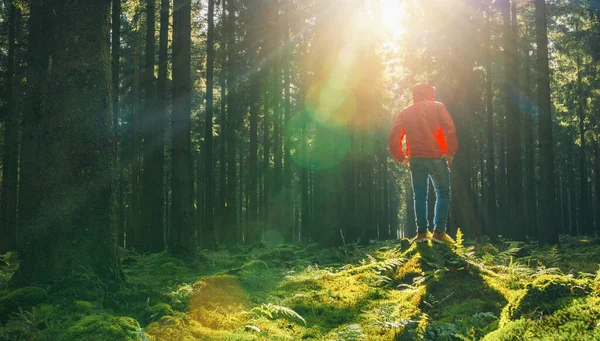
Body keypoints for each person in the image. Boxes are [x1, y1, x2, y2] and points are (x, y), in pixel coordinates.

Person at [389, 83, 457, 244]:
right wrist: (450, 152)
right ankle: (439, 233)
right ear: (429, 93)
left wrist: (402, 156)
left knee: (419, 196)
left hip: (416, 159)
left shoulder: (405, 112)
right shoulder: (438, 107)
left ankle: (421, 233)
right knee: (443, 193)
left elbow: (394, 135)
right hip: (437, 158)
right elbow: (450, 129)